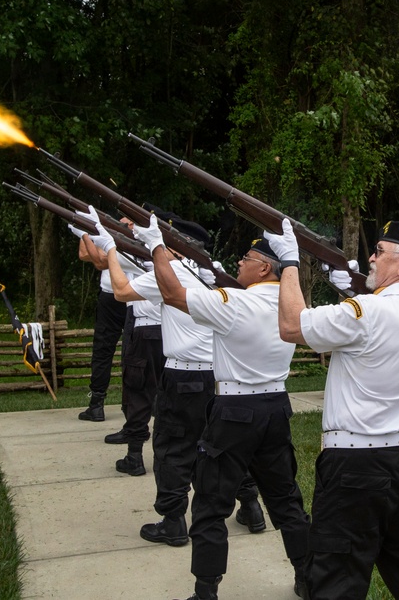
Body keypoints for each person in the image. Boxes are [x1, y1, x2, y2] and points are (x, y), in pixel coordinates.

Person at [266, 219, 399, 600]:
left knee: (336, 578)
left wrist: (288, 263)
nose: (370, 257)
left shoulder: (366, 312)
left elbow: (291, 325)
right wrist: (348, 284)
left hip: (353, 466)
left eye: (379, 253)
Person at [134, 225, 311, 600]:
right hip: (276, 407)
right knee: (286, 500)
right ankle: (307, 577)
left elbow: (172, 293)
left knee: (211, 506)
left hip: (234, 410)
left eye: (246, 259)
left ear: (264, 268)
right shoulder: (292, 305)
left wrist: (157, 247)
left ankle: (205, 592)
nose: (238, 263)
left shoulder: (236, 302)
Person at [100, 214, 266, 548]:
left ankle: (173, 521)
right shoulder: (214, 273)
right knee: (223, 446)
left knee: (172, 448)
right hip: (220, 377)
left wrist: (110, 251)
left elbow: (120, 291)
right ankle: (251, 505)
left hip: (182, 375)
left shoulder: (171, 273)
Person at [85, 214, 163, 476]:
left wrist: (105, 240)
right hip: (171, 336)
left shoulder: (155, 264)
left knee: (139, 394)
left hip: (146, 332)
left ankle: (135, 455)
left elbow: (115, 278)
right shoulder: (176, 264)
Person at [71, 222, 128, 422]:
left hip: (133, 298)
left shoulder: (139, 237)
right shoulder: (110, 232)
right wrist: (90, 238)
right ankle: (96, 403)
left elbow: (101, 261)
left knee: (134, 352)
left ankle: (138, 403)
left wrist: (88, 238)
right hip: (110, 295)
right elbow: (84, 254)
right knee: (102, 350)